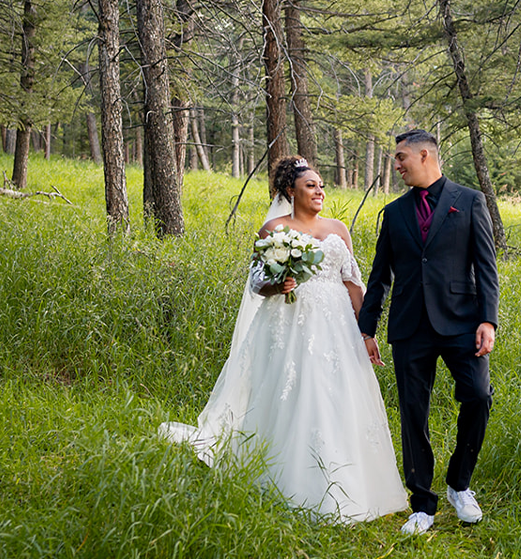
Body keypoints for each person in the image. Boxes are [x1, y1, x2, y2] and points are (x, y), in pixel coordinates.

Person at [160, 157, 408, 523]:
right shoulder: (274, 228)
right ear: (290, 191)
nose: (320, 191)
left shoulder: (338, 228)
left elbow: (354, 283)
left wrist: (366, 332)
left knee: (339, 394)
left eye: (321, 185)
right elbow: (257, 283)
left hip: (337, 325)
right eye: (311, 185)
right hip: (290, 323)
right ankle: (289, 480)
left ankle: (350, 481)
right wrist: (280, 284)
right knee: (297, 393)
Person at [358, 130, 499, 535]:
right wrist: (367, 327)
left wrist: (488, 320)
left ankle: (459, 483)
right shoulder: (394, 211)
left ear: (425, 155)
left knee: (478, 395)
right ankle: (422, 503)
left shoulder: (469, 201)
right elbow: (379, 275)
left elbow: (486, 266)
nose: (397, 165)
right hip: (409, 325)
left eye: (401, 157)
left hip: (462, 320)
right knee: (413, 413)